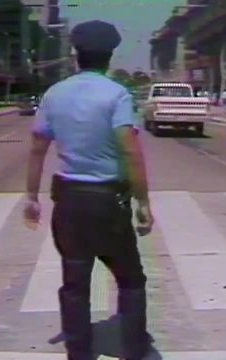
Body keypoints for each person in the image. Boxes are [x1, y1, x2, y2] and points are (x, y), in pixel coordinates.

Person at [23, 19, 154, 360]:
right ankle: (134, 349)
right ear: (110, 56)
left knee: (75, 282)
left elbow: (38, 147)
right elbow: (130, 150)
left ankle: (79, 353)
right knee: (130, 279)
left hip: (68, 200)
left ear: (75, 54)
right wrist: (143, 202)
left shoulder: (55, 93)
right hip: (109, 203)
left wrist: (31, 197)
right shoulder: (116, 94)